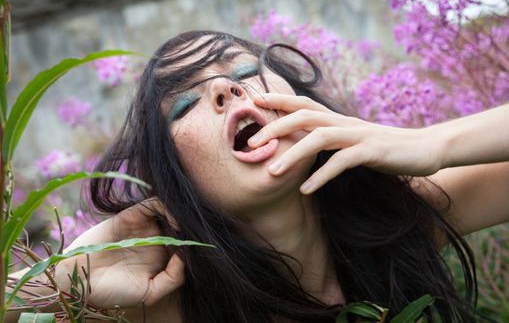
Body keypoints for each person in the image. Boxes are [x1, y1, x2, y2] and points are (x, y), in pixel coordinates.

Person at [8, 30, 509, 322]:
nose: (227, 87)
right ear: (174, 181)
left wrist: (431, 144)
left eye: (245, 71)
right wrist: (65, 278)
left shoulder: (395, 222)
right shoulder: (166, 301)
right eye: (184, 104)